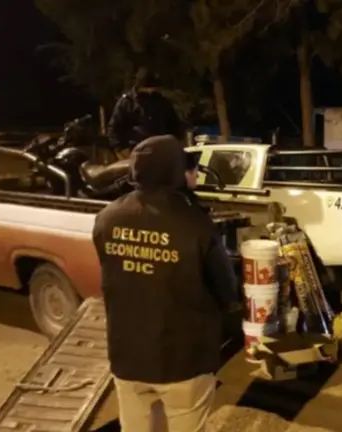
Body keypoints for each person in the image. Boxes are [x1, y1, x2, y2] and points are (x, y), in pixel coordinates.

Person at [92, 135, 237, 431]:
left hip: (128, 355)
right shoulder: (195, 224)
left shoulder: (107, 217)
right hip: (184, 360)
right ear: (175, 172)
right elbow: (226, 289)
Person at [107, 69, 184, 159]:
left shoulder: (162, 102)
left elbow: (174, 126)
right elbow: (114, 129)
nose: (150, 91)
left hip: (161, 151)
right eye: (147, 88)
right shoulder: (127, 103)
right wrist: (121, 149)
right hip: (136, 151)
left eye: (152, 88)